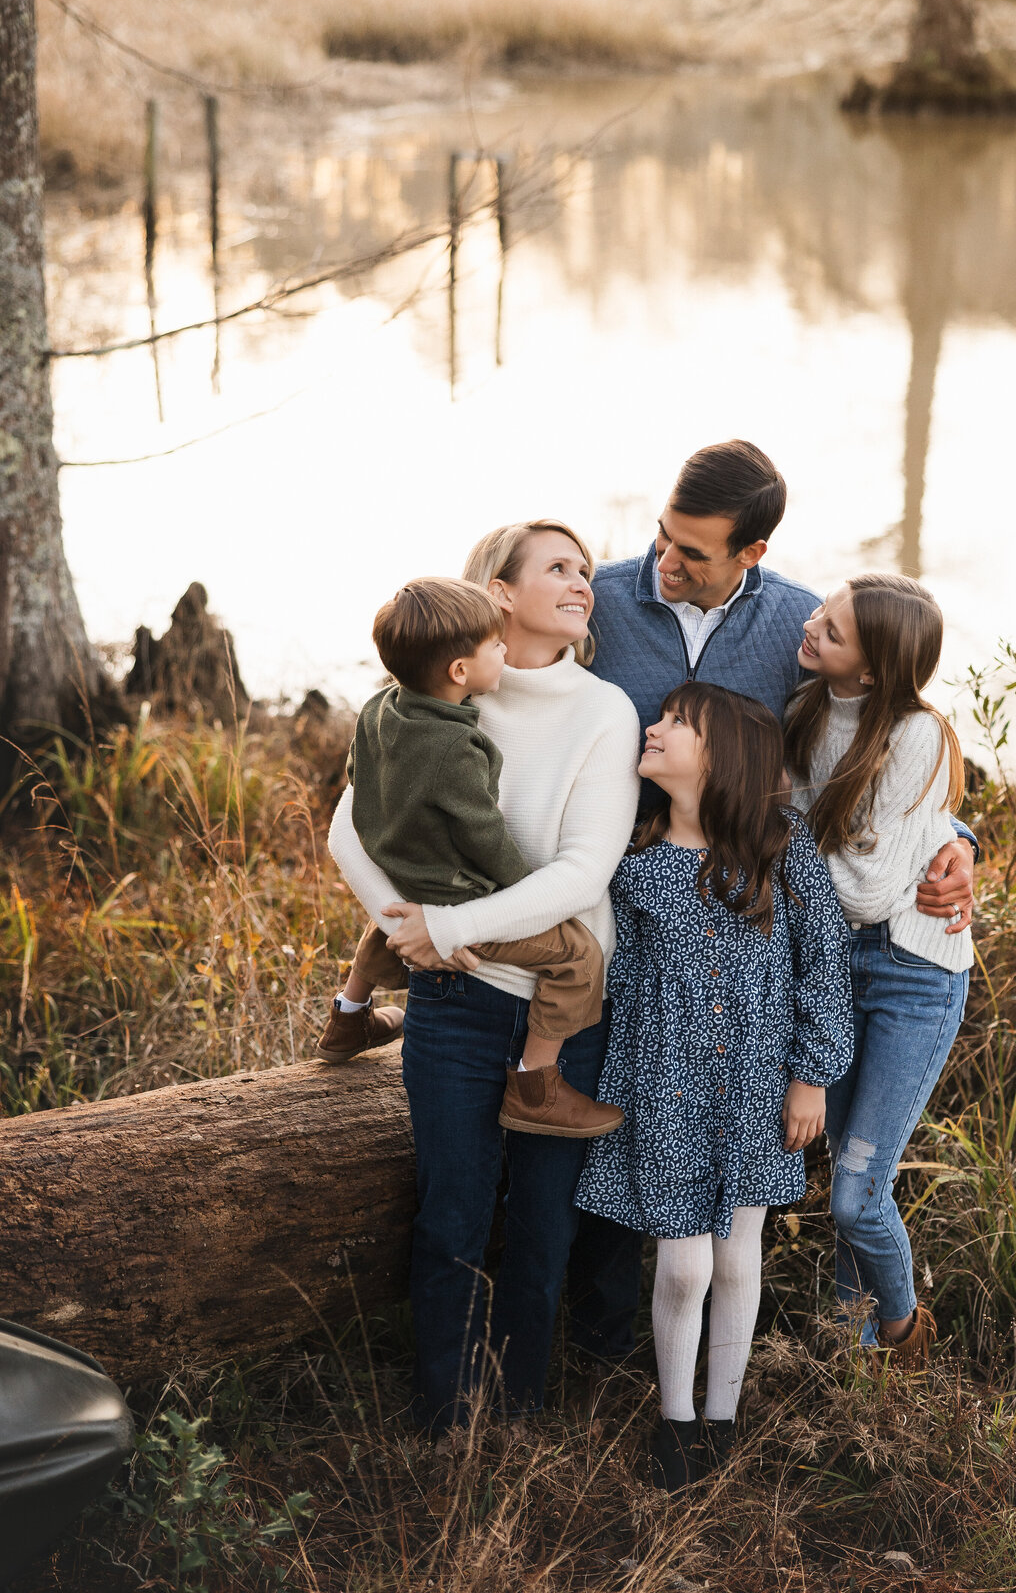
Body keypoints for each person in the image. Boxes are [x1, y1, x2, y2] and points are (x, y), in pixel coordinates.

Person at [570, 439, 977, 1362]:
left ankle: (845, 1345)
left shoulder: (804, 630)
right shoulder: (605, 601)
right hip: (627, 911)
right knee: (614, 1121)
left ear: (751, 553)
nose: (664, 564)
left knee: (792, 1169)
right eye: (662, 538)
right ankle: (596, 1345)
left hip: (763, 948)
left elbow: (891, 763)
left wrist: (959, 842)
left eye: (694, 553)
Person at [327, 521, 640, 1435]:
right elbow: (349, 830)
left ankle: (519, 1408)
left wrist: (452, 924)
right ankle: (444, 1414)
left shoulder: (604, 712)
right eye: (557, 568)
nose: (583, 583)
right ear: (499, 593)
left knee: (544, 1229)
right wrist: (411, 931)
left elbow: (583, 873)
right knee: (452, 1216)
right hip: (455, 1003)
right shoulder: (434, 691)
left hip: (561, 1004)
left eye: (585, 569)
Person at [574, 682, 852, 1492]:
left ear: (721, 753)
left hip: (760, 1087)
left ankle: (724, 1422)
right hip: (663, 1087)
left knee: (737, 1259)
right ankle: (675, 1423)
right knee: (685, 1267)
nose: (651, 728)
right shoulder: (631, 864)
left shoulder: (779, 847)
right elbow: (611, 975)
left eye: (673, 723)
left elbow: (825, 964)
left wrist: (812, 1078)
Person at [318, 574, 623, 1141]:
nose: (504, 650)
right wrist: (524, 894)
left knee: (390, 923)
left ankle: (347, 1018)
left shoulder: (377, 708)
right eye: (495, 646)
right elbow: (483, 831)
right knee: (579, 956)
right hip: (466, 897)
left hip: (409, 880)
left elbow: (356, 783)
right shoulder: (459, 745)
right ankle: (537, 1084)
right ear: (461, 672)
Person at [785, 573, 972, 1363]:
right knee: (843, 1180)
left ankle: (901, 1330)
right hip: (837, 969)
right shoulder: (807, 712)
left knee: (860, 1194)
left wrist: (788, 846)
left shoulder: (918, 735)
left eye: (833, 629)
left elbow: (863, 895)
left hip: (911, 975)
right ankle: (850, 1356)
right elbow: (838, 865)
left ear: (871, 672)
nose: (811, 625)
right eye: (823, 612)